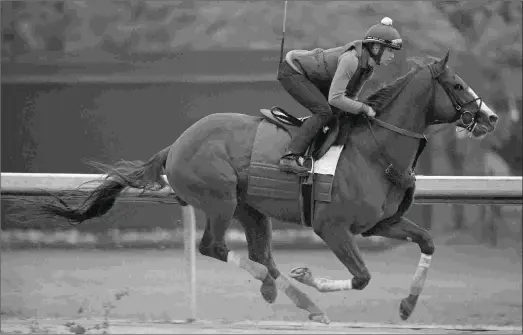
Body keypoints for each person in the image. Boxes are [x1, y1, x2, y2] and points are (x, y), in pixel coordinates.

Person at [276, 17, 403, 175]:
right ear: (376, 48)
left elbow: (349, 98)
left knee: (337, 114)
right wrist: (364, 108)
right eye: (390, 50)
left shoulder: (368, 68)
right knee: (324, 111)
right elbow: (335, 98)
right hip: (293, 71)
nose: (392, 55)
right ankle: (289, 158)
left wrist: (362, 112)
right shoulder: (351, 60)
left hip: (313, 76)